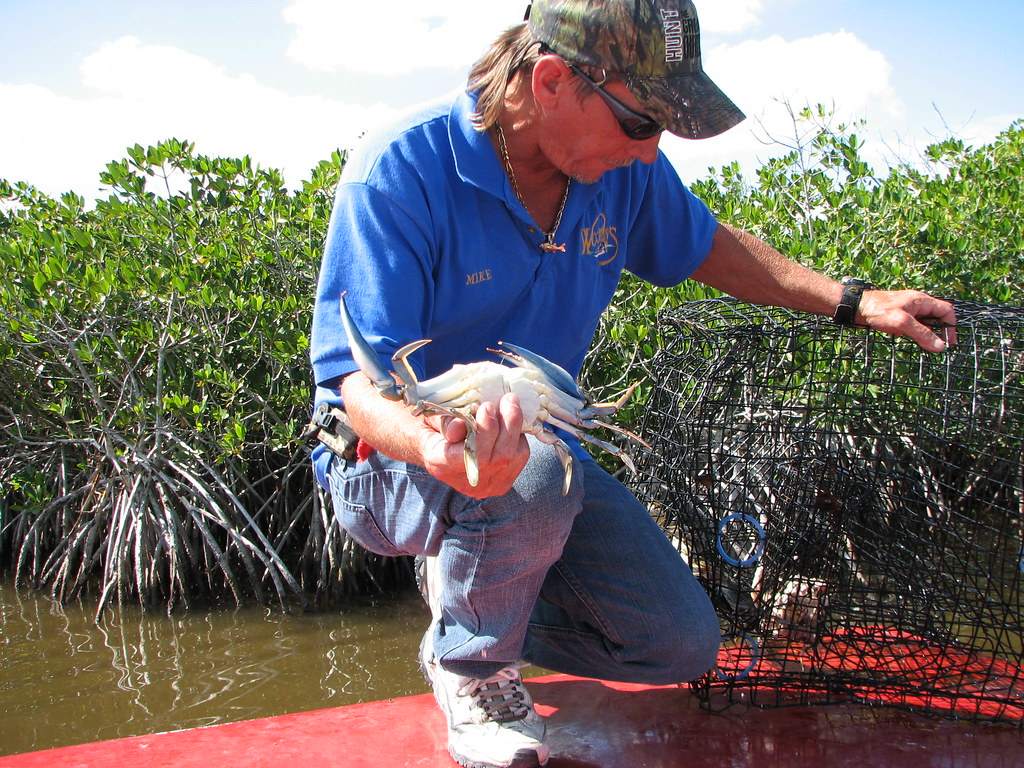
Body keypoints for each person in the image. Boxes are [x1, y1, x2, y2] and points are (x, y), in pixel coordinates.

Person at [309, 1, 958, 766]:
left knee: (678, 644)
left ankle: (463, 589)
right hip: (385, 462)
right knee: (538, 471)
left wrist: (854, 302)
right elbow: (356, 383)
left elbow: (713, 247)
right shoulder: (400, 167)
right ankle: (473, 668)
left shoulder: (616, 169)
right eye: (643, 122)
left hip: (535, 462)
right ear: (551, 80)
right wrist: (438, 448)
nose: (651, 154)